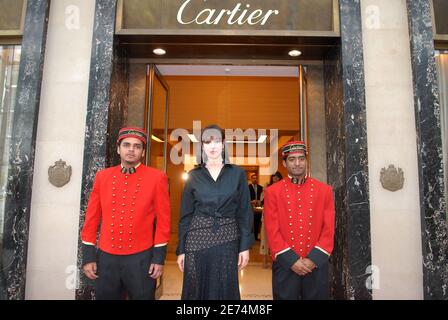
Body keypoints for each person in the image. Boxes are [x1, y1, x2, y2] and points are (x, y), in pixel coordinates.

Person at [80, 127, 171, 300]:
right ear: (118, 149)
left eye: (137, 146)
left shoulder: (157, 177)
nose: (131, 149)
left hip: (141, 258)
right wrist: (88, 256)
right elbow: (91, 219)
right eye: (126, 145)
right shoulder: (102, 177)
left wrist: (158, 259)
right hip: (106, 258)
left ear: (143, 152)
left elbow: (164, 222)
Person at [176, 124, 254, 300]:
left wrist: (244, 247)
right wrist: (181, 249)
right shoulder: (193, 176)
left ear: (223, 143)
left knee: (225, 288)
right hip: (196, 240)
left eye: (217, 141)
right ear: (202, 145)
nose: (212, 146)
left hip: (228, 238)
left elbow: (244, 212)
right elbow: (185, 216)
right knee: (195, 289)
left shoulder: (238, 174)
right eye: (207, 141)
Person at [263, 141, 335, 300]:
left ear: (306, 161)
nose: (297, 163)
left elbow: (328, 229)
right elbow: (272, 230)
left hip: (316, 266)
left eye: (301, 159)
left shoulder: (325, 191)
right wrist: (292, 261)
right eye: (292, 159)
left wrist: (312, 259)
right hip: (285, 265)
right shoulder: (272, 192)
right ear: (284, 163)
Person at [248, 174, 263, 240]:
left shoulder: (260, 187)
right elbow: (245, 198)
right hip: (250, 208)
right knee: (250, 223)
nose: (255, 179)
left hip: (258, 208)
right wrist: (251, 201)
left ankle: (256, 237)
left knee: (257, 222)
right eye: (253, 178)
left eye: (256, 178)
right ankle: (250, 237)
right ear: (251, 179)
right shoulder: (247, 187)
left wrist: (260, 201)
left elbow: (262, 197)